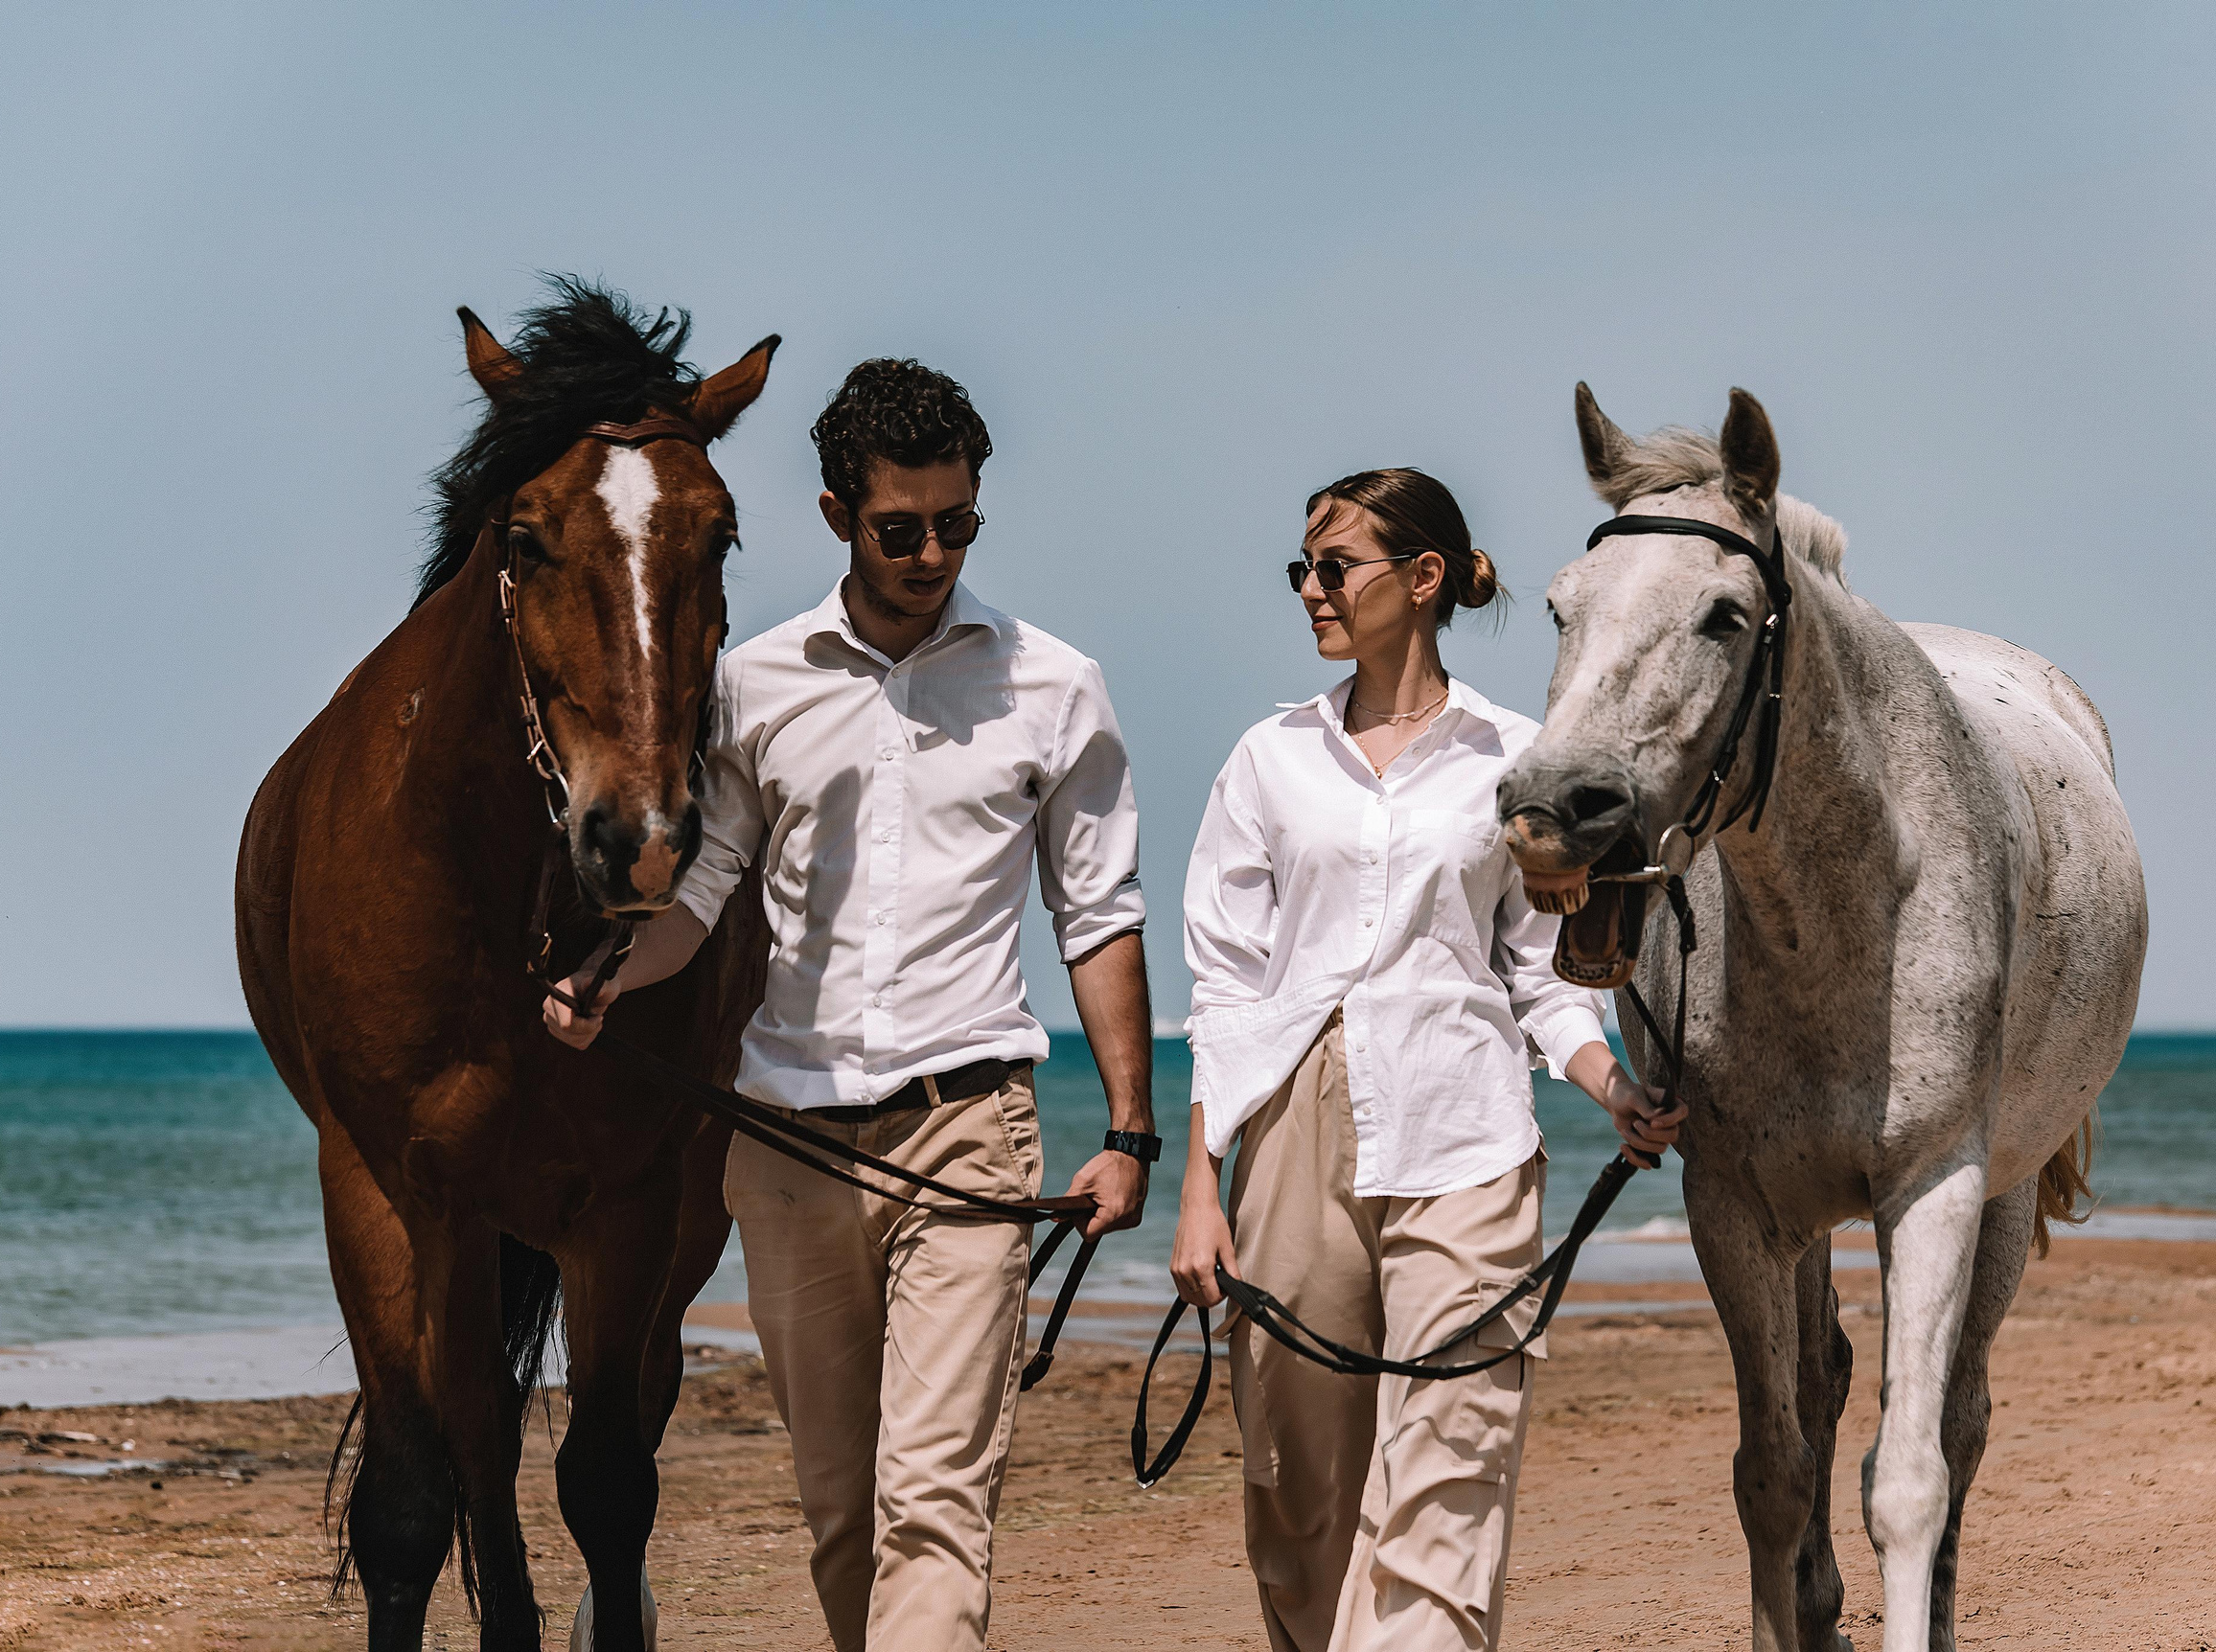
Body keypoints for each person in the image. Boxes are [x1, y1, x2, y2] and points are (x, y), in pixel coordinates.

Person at [545, 358, 1158, 1652]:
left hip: (967, 1136)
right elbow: (703, 896)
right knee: (841, 1515)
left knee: (933, 1506)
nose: (932, 551)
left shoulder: (1055, 684)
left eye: (957, 525)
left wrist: (1128, 1130)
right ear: (836, 515)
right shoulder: (754, 683)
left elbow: (1098, 914)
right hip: (787, 1149)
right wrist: (608, 978)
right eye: (900, 528)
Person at [1169, 469, 1685, 1651]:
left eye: (1333, 565)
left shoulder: (1518, 756)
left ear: (1422, 578)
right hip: (1292, 1126)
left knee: (1448, 1467)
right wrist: (1201, 1184)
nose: (1310, 587)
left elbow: (1541, 972)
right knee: (1300, 1490)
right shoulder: (1268, 758)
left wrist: (1611, 1087)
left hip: (1466, 1130)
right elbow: (1227, 985)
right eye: (1299, 567)